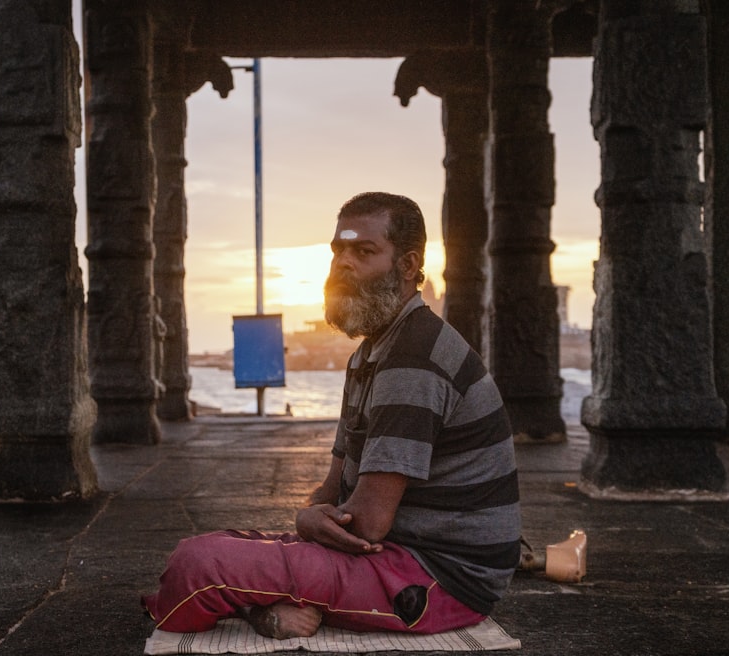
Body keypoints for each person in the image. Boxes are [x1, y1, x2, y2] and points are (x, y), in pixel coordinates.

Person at [142, 192, 521, 638]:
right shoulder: (369, 354)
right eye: (338, 251)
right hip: (391, 554)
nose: (343, 264)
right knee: (228, 546)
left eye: (364, 251)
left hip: (437, 579)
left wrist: (308, 522)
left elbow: (364, 524)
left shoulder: (414, 358)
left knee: (197, 566)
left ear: (406, 264)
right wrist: (313, 516)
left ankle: (260, 604)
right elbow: (332, 490)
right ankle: (262, 609)